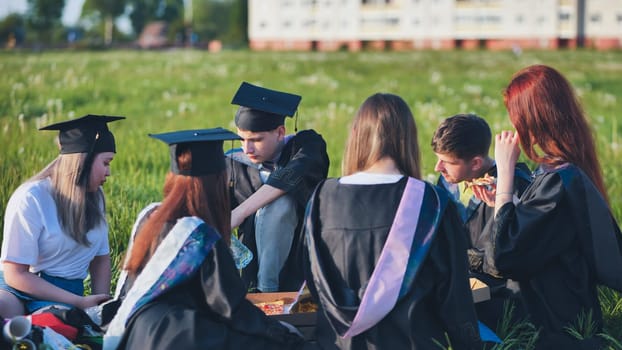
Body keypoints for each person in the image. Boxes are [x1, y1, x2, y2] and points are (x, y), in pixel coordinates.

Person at [303, 93, 482, 349]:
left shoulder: (322, 197)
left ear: (355, 134)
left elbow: (313, 279)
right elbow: (454, 297)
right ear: (408, 138)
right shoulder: (430, 202)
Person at [103, 127, 303, 350]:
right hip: (181, 336)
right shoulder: (199, 236)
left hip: (138, 335)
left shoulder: (150, 219)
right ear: (215, 182)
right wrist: (283, 333)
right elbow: (231, 307)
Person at [492, 64, 622, 348]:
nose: (514, 128)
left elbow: (505, 255)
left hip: (554, 332)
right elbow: (538, 234)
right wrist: (507, 203)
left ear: (533, 119)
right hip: (566, 323)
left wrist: (505, 176)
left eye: (516, 118)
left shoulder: (557, 182)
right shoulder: (566, 172)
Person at [0, 115, 123, 318]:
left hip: (65, 297)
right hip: (18, 289)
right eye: (106, 162)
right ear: (82, 162)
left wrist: (99, 304)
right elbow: (15, 273)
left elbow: (101, 260)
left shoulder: (95, 199)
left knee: (55, 327)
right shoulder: (31, 197)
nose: (109, 172)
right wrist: (79, 302)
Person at [227, 82, 330, 292]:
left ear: (280, 132)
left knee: (279, 202)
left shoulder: (306, 147)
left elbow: (289, 176)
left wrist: (239, 212)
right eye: (242, 139)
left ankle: (268, 292)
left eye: (256, 140)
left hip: (301, 261)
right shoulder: (234, 162)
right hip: (250, 268)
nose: (247, 148)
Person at [431, 113, 531, 328]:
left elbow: (508, 258)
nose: (437, 168)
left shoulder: (514, 186)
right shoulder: (449, 181)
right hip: (462, 278)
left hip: (501, 292)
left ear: (476, 162)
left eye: (446, 162)